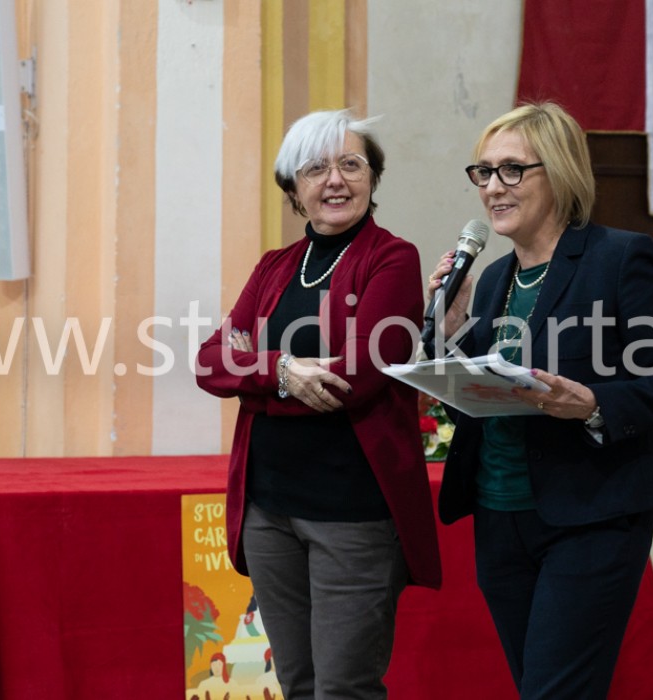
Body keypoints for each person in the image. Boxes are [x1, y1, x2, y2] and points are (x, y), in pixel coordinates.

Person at [425, 102, 653, 698]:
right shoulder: (492, 280)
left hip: (590, 517)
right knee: (537, 687)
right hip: (499, 514)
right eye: (483, 172)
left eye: (511, 170)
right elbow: (478, 394)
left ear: (561, 172)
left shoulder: (619, 258)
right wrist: (449, 332)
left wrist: (594, 404)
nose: (492, 187)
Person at [196, 108, 441, 700]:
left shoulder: (393, 259)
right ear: (293, 188)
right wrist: (281, 371)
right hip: (268, 512)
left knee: (343, 689)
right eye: (315, 168)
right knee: (298, 684)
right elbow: (208, 362)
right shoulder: (274, 267)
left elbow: (355, 377)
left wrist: (256, 377)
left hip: (351, 513)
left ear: (373, 178)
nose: (335, 180)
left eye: (351, 164)